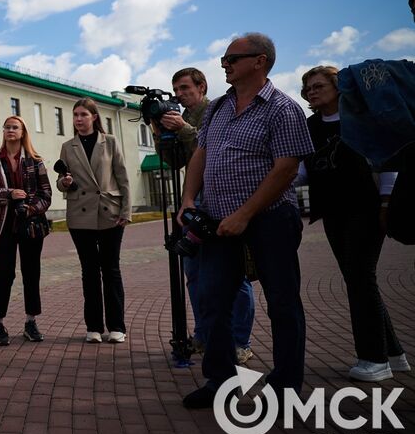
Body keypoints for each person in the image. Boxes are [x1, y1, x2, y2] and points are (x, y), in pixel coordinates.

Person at [180, 33, 313, 409]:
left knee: (283, 303)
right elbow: (200, 155)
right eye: (223, 59)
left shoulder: (282, 109)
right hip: (218, 221)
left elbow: (286, 169)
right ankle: (219, 381)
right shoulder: (219, 108)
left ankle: (286, 388)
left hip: (270, 219)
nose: (224, 64)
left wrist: (245, 214)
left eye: (231, 58)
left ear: (260, 61)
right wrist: (189, 199)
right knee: (212, 300)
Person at [298, 65, 408, 381]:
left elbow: (388, 161)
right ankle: (393, 353)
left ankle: (374, 360)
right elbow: (303, 170)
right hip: (332, 211)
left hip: (366, 208)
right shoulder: (310, 126)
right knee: (356, 278)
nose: (312, 92)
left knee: (361, 276)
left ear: (338, 87)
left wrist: (387, 203)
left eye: (318, 86)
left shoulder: (361, 119)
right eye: (307, 89)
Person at [155, 68, 256, 364]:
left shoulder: (218, 110)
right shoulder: (179, 117)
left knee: (233, 274)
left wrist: (184, 128)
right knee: (195, 272)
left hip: (222, 198)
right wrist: (160, 132)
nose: (179, 94)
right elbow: (176, 163)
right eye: (176, 89)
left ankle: (240, 341)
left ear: (201, 87)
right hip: (193, 200)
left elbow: (215, 147)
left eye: (185, 88)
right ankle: (204, 333)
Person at [56, 98, 131, 343]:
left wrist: (126, 212)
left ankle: (117, 326)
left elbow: (123, 177)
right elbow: (62, 181)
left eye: (83, 115)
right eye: (75, 115)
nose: (78, 119)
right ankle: (94, 327)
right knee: (89, 271)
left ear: (94, 117)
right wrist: (64, 183)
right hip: (80, 215)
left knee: (111, 270)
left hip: (110, 212)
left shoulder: (109, 142)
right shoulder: (68, 146)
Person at [0, 115, 52, 345]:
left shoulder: (35, 161)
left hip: (30, 226)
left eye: (15, 127)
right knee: (4, 275)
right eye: (7, 127)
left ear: (23, 132)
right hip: (3, 227)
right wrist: (9, 193)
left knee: (31, 273)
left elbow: (46, 194)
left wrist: (31, 209)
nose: (10, 130)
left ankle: (31, 322)